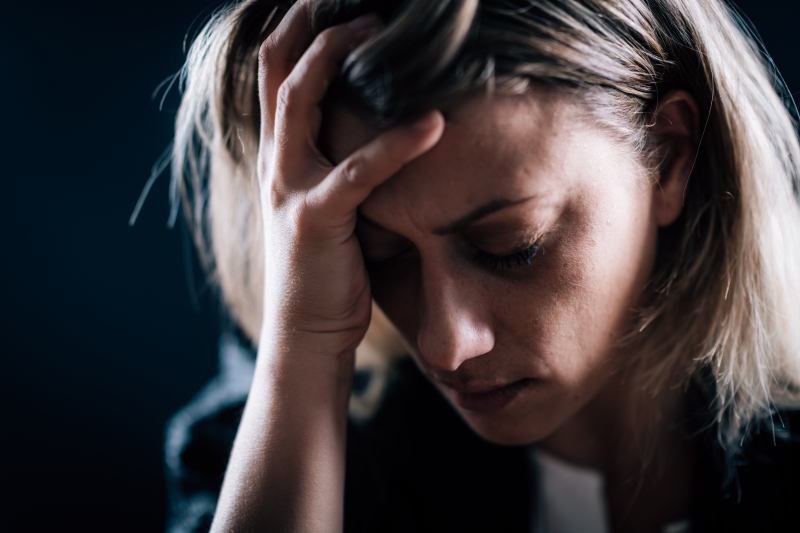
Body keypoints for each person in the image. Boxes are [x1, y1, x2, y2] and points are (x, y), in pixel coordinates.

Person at [163, 0, 800, 531]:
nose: (447, 347)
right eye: (381, 253)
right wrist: (302, 351)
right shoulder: (279, 442)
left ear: (667, 155)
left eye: (512, 245)